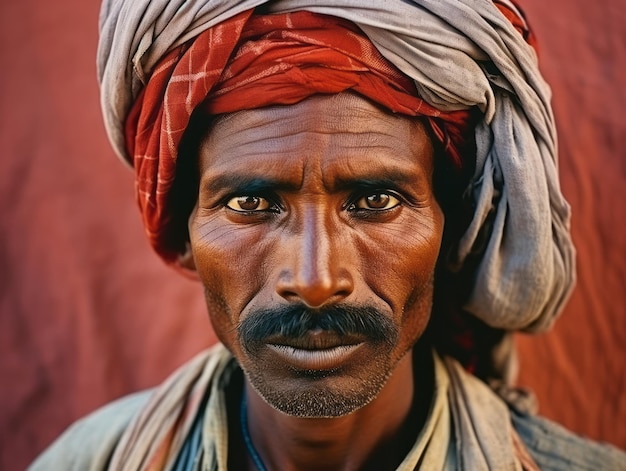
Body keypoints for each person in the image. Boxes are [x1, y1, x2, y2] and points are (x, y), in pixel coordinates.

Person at [30, 0, 626, 470]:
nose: (315, 279)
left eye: (375, 201)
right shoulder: (90, 461)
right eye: (250, 203)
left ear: (453, 227)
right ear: (184, 231)